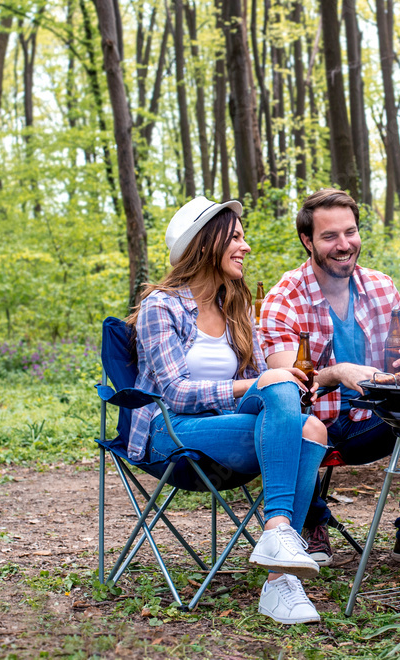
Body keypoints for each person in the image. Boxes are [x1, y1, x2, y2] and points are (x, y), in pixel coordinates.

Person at [127, 196, 329, 625]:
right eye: (235, 237)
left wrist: (281, 376)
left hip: (230, 429)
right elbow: (176, 394)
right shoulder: (160, 306)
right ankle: (279, 540)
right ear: (206, 243)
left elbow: (263, 384)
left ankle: (280, 574)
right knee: (277, 392)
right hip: (171, 434)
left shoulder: (235, 305)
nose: (246, 246)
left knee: (312, 428)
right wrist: (258, 382)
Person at [260, 189, 400, 569]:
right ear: (307, 241)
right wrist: (337, 372)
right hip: (316, 422)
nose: (344, 245)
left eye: (350, 232)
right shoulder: (283, 300)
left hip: (373, 420)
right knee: (294, 423)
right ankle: (311, 522)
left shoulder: (381, 287)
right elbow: (289, 384)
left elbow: (395, 364)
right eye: (329, 236)